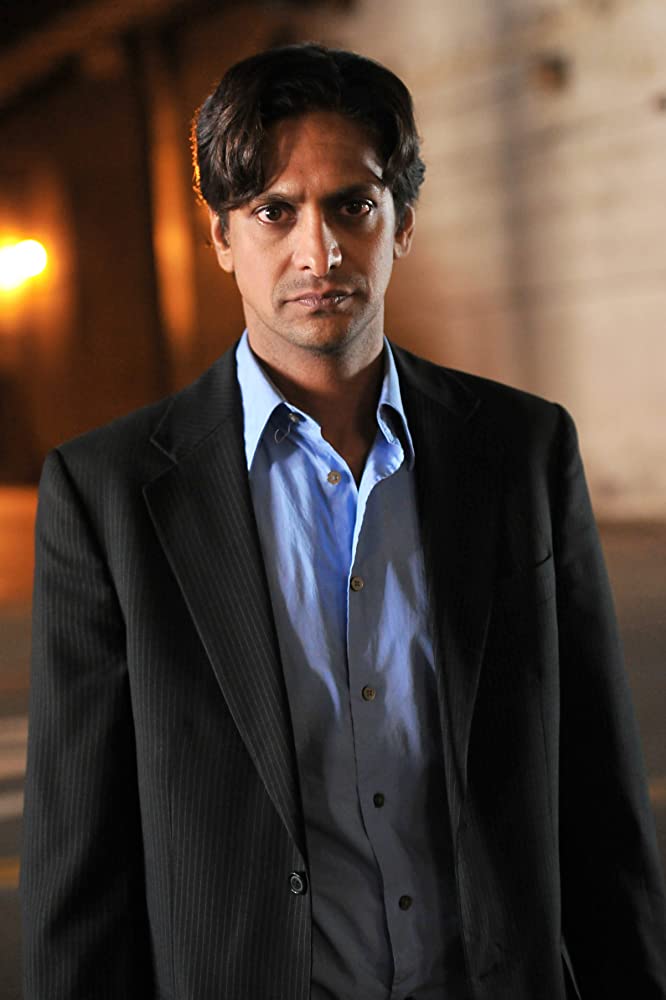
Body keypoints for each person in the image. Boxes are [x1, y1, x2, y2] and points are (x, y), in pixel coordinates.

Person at [21, 42, 666, 1000]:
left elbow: (599, 801)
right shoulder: (106, 495)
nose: (317, 253)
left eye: (352, 205)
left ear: (401, 222)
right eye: (274, 211)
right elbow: (79, 867)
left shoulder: (522, 453)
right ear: (221, 236)